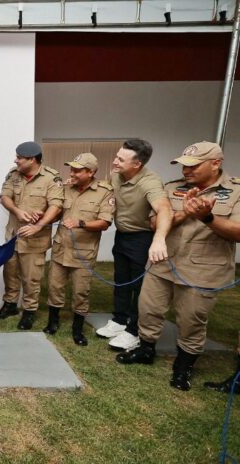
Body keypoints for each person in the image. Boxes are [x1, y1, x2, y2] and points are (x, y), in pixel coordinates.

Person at [117, 141, 240, 391]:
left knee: (191, 319)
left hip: (202, 270)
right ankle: (145, 349)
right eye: (183, 165)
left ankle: (183, 367)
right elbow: (154, 224)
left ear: (216, 163)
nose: (186, 171)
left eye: (193, 166)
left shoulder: (235, 191)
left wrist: (207, 217)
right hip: (163, 262)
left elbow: (238, 232)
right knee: (148, 308)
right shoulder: (173, 188)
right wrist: (185, 213)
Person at [96, 139, 172, 351]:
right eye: (116, 156)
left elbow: (165, 209)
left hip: (142, 238)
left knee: (140, 287)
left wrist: (159, 239)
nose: (114, 162)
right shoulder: (115, 176)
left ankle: (134, 330)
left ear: (136, 164)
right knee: (121, 281)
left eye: (121, 159)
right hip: (122, 236)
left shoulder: (150, 181)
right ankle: (119, 320)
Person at [44, 153, 114, 346]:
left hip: (83, 252)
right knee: (54, 288)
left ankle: (77, 329)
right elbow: (56, 211)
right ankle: (53, 322)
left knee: (81, 292)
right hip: (61, 249)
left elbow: (105, 222)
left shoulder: (104, 192)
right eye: (71, 169)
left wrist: (80, 223)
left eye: (77, 170)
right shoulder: (65, 188)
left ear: (90, 172)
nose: (72, 173)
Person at [0, 141, 64, 330]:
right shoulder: (13, 174)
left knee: (31, 277)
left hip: (35, 239)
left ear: (32, 160)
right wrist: (17, 211)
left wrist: (38, 226)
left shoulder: (51, 178)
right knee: (10, 273)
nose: (15, 160)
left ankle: (29, 311)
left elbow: (56, 206)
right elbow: (4, 196)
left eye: (19, 158)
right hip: (13, 236)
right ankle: (10, 305)